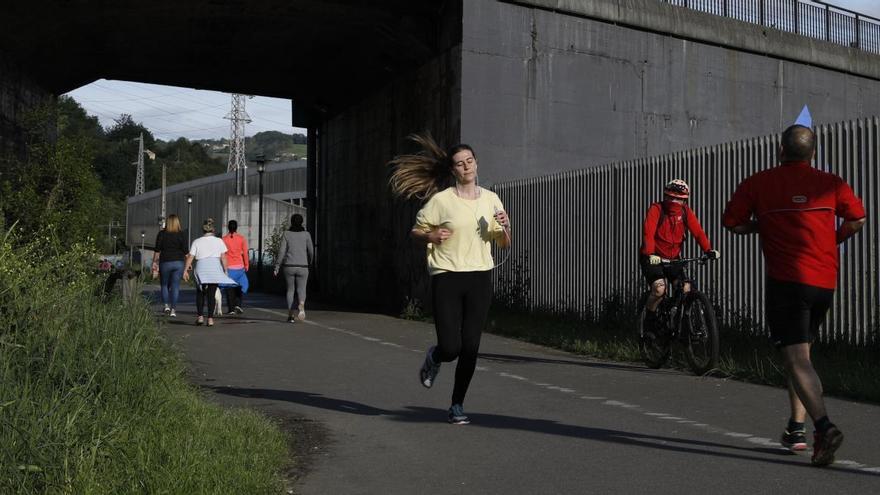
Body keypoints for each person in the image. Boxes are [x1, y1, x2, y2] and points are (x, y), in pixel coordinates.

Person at [722, 124, 866, 466]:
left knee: (796, 358)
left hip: (787, 282)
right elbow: (858, 218)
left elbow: (732, 222)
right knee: (801, 354)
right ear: (813, 153)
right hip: (824, 284)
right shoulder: (831, 183)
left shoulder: (760, 182)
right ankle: (796, 429)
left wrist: (763, 224)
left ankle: (824, 427)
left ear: (780, 150)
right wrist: (834, 239)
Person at [388, 132, 511, 425]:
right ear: (453, 169)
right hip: (447, 277)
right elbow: (415, 232)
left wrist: (505, 226)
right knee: (451, 347)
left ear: (476, 163)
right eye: (460, 163)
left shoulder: (492, 199)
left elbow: (504, 243)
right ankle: (435, 357)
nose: (466, 167)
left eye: (470, 161)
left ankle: (457, 404)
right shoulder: (441, 201)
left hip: (480, 277)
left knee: (471, 347)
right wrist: (430, 235)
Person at [639, 179, 720, 325]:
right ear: (665, 196)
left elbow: (698, 232)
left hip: (674, 258)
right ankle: (649, 320)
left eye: (678, 199)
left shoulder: (685, 212)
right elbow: (648, 233)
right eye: (670, 197)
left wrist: (708, 250)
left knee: (686, 288)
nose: (674, 201)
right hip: (653, 257)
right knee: (659, 289)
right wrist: (650, 254)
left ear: (684, 201)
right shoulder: (656, 209)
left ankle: (681, 324)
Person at [183, 218, 237, 327]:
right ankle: (210, 319)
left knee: (200, 293)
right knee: (211, 295)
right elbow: (223, 257)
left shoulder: (197, 241)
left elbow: (190, 257)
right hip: (214, 268)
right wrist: (225, 270)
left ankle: (200, 317)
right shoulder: (219, 241)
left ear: (203, 229)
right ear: (213, 229)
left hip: (201, 268)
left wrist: (185, 270)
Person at [273, 214, 314, 323]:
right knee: (302, 289)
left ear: (291, 222)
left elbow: (282, 251)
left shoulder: (287, 234)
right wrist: (310, 263)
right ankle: (301, 304)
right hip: (303, 266)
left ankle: (290, 315)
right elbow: (311, 251)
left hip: (289, 266)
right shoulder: (306, 234)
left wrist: (277, 266)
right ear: (302, 222)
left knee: (290, 290)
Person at [151, 214, 188, 317]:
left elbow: (157, 250)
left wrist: (154, 263)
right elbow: (186, 251)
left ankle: (166, 306)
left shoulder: (162, 234)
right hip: (178, 262)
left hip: (165, 262)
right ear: (177, 222)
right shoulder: (182, 234)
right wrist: (188, 264)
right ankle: (173, 310)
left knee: (164, 285)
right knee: (175, 286)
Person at [222, 219, 249, 315]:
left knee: (229, 287)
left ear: (228, 227)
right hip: (240, 266)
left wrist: (222, 266)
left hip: (229, 267)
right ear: (236, 227)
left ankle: (231, 309)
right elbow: (245, 253)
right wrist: (246, 265)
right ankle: (238, 304)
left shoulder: (224, 239)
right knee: (239, 286)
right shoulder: (241, 238)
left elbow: (223, 254)